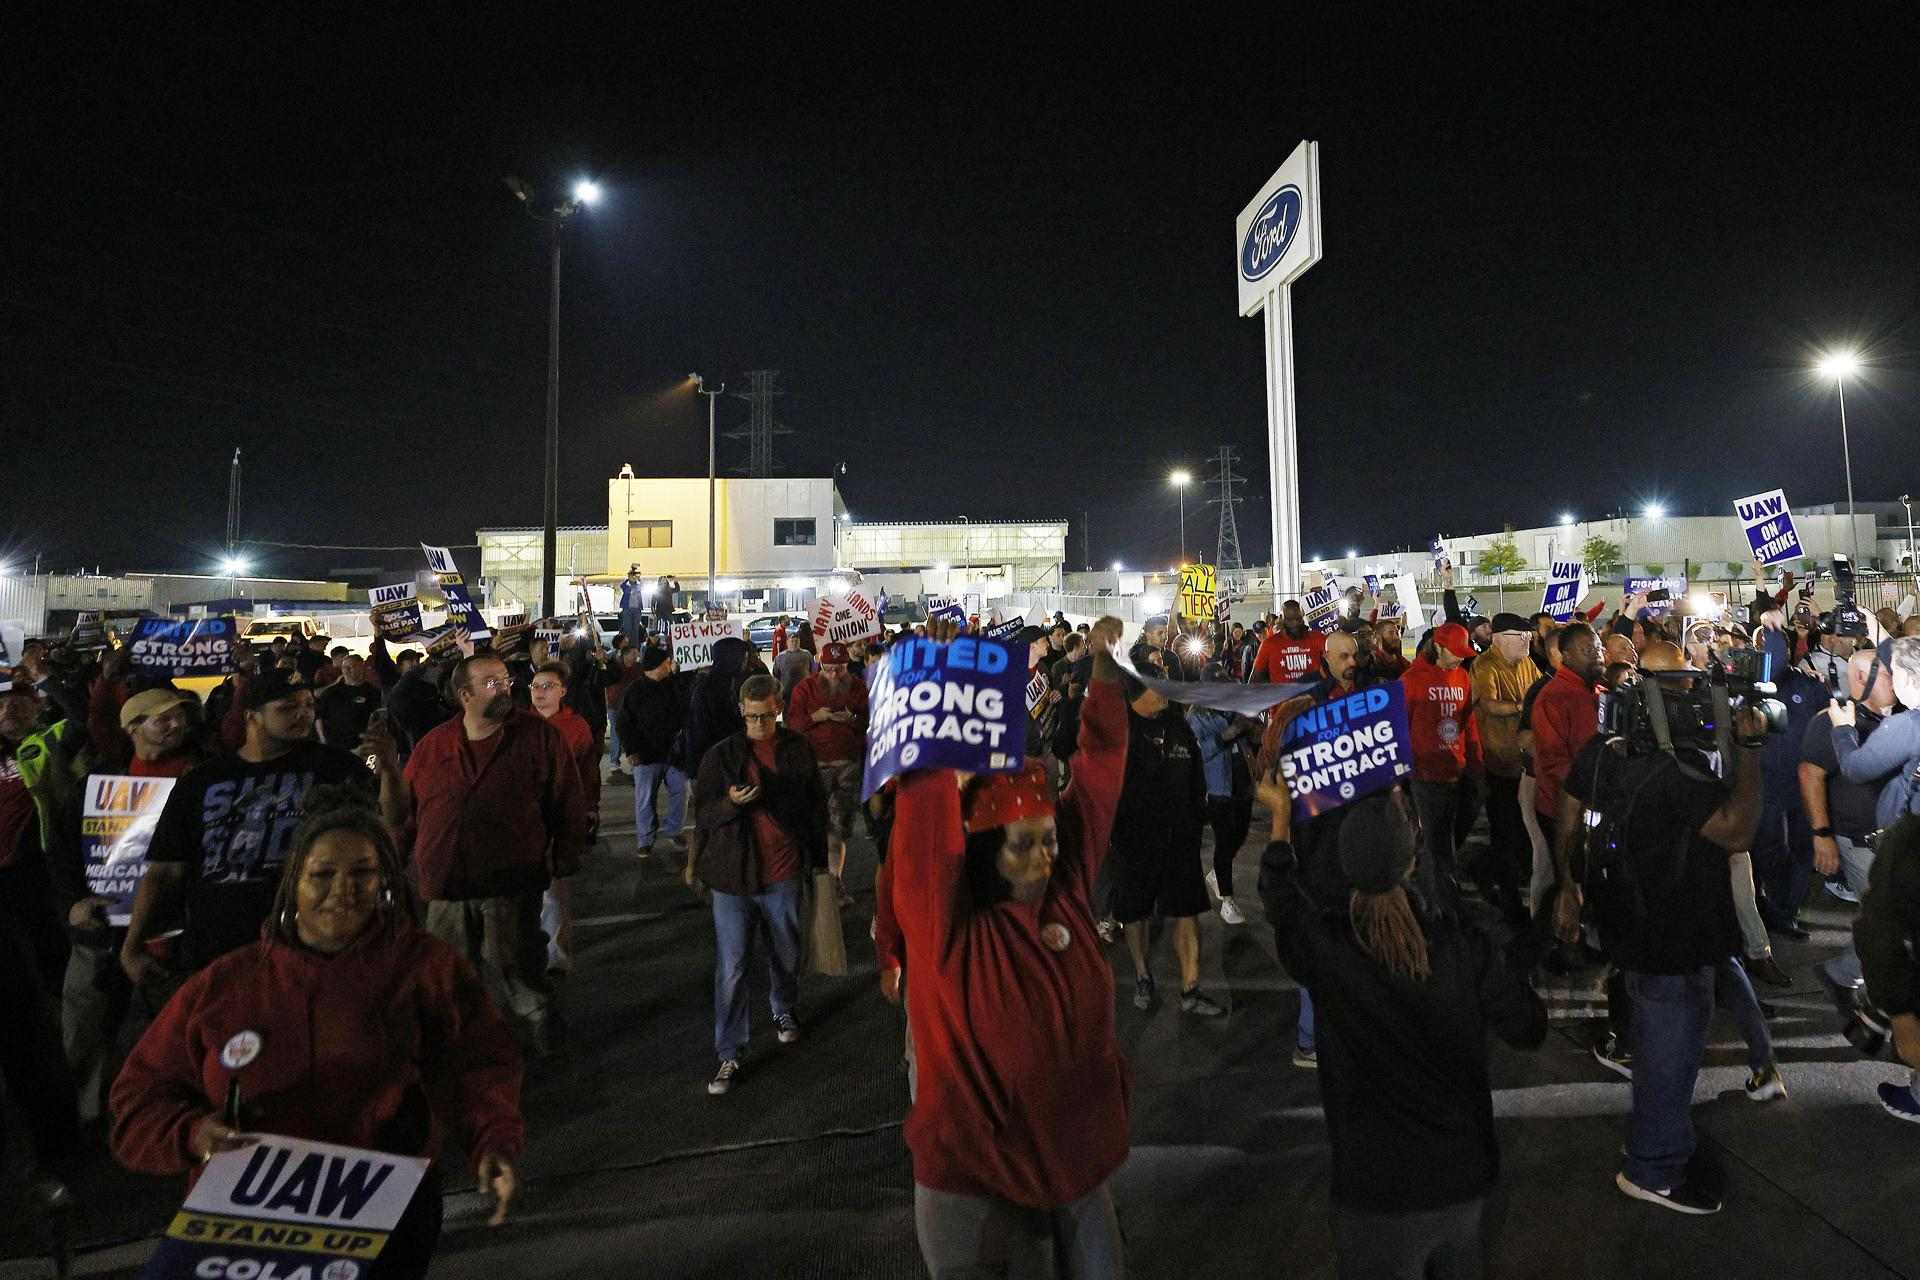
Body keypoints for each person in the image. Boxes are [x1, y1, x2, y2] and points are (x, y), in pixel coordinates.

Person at [110, 788, 524, 1274]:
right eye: (322, 874)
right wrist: (192, 1134)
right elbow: (138, 1098)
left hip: (381, 1213)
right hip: (244, 1221)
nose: (343, 890)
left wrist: (493, 1142)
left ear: (385, 881)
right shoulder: (225, 984)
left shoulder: (425, 968)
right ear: (292, 883)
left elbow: (480, 1065)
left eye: (363, 873)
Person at [888, 616, 1131, 1277]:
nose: (1046, 857)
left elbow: (1101, 770)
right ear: (986, 852)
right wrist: (938, 706)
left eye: (1050, 837)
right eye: (1024, 844)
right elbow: (922, 831)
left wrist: (1105, 676)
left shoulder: (1069, 897)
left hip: (1075, 1165)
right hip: (978, 1185)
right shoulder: (946, 934)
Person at [1258, 785, 1546, 1278]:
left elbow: (1281, 901)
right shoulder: (1461, 948)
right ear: (1412, 859)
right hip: (1460, 1177)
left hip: (1375, 1191)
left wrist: (1281, 820)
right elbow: (1528, 1028)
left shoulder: (1325, 951)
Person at [1552, 642, 1774, 1215]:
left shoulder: (1609, 751)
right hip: (1673, 934)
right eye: (1677, 685)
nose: (1691, 694)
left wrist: (1568, 886)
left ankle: (1658, 1141)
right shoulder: (1672, 770)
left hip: (1636, 924)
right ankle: (1654, 1167)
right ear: (1647, 690)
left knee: (1657, 1046)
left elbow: (1569, 809)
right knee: (1670, 1052)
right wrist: (1750, 751)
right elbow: (1736, 830)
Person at [369, 654, 591, 1055]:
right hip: (445, 886)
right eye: (491, 683)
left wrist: (565, 853)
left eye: (505, 680)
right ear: (464, 695)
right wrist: (393, 859)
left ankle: (544, 1041)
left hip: (510, 883)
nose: (504, 688)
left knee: (518, 969)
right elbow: (404, 815)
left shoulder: (540, 738)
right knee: (448, 976)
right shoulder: (433, 746)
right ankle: (462, 1050)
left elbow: (567, 801)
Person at [122, 671, 378, 984]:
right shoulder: (202, 781)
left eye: (309, 705)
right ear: (252, 717)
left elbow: (383, 834)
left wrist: (389, 772)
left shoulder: (336, 768)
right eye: (287, 708)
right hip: (218, 951)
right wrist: (133, 946)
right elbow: (165, 870)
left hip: (313, 948)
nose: (303, 715)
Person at [58, 688, 207, 1124]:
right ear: (132, 728)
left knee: (184, 1031)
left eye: (181, 717)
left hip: (174, 932)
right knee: (87, 1028)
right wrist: (72, 904)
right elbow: (64, 851)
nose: (176, 725)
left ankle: (184, 1120)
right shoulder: (97, 784)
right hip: (103, 929)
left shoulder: (205, 777)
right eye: (163, 719)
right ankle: (87, 1119)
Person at [692, 673, 828, 1094]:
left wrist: (820, 864)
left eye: (766, 717)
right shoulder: (721, 756)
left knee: (786, 952)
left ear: (779, 708)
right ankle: (729, 1050)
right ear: (741, 712)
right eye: (752, 717)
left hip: (783, 872)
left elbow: (814, 808)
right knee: (731, 967)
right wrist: (731, 804)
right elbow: (704, 816)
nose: (759, 725)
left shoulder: (797, 749)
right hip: (733, 876)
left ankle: (783, 1007)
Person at [1108, 668, 1224, 1016]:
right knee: (1136, 912)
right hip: (1135, 841)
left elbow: (1195, 776)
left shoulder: (1178, 726)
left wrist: (1197, 815)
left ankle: (1192, 989)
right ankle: (1143, 976)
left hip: (1180, 840)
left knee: (1187, 912)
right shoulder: (1118, 732)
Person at [1401, 621, 1479, 910]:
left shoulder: (1462, 677)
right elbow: (1400, 727)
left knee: (1446, 839)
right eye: (1455, 651)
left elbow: (1468, 723)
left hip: (1456, 771)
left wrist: (1475, 763)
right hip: (1424, 774)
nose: (1460, 657)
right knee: (1436, 842)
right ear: (1438, 646)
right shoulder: (1411, 680)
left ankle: (1437, 892)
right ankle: (1440, 905)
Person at [1470, 615, 1541, 925]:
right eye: (1519, 635)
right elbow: (1488, 705)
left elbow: (1538, 690)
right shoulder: (1486, 666)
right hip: (1499, 763)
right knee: (1505, 829)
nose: (1527, 640)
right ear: (1498, 638)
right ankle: (1505, 891)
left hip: (1525, 761)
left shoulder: (1528, 664)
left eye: (1528, 634)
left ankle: (1515, 879)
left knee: (1524, 828)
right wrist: (1521, 707)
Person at [786, 640, 868, 905]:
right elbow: (792, 724)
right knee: (812, 827)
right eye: (830, 668)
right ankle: (813, 880)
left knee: (837, 829)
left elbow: (869, 720)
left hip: (847, 767)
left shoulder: (857, 687)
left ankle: (834, 882)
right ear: (820, 665)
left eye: (840, 669)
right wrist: (815, 718)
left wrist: (853, 720)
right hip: (815, 767)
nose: (834, 674)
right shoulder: (805, 688)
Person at [1189, 663, 1256, 926]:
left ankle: (1218, 873)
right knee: (1225, 841)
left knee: (1239, 836)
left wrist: (1252, 727)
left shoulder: (1236, 707)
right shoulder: (1197, 715)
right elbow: (1200, 752)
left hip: (1243, 783)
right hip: (1218, 788)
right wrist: (1230, 733)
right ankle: (1227, 899)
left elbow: (1254, 736)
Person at [618, 644, 689, 859]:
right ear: (658, 666)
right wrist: (631, 750)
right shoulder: (634, 690)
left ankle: (674, 830)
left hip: (674, 754)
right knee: (645, 798)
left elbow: (686, 707)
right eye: (666, 662)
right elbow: (624, 723)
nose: (670, 665)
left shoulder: (673, 685)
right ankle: (645, 840)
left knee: (681, 791)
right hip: (646, 755)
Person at [314, 652, 382, 748]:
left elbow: (378, 718)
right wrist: (323, 739)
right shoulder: (331, 692)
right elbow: (319, 717)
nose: (346, 670)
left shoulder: (372, 692)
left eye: (351, 666)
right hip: (335, 745)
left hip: (362, 745)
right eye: (344, 667)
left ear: (361, 667)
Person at [1248, 600, 1325, 684]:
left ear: (1302, 617)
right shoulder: (1269, 644)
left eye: (1298, 619)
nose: (1294, 623)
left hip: (1313, 695)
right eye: (1289, 620)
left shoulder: (1317, 638)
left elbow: (1336, 663)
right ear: (1281, 619)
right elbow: (1254, 680)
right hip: (1282, 696)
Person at [619, 565, 648, 648]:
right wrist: (629, 577)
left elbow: (643, 586)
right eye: (632, 576)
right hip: (627, 609)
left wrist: (639, 579)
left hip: (637, 610)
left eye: (634, 576)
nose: (633, 577)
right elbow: (622, 586)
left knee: (635, 630)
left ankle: (635, 648)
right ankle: (627, 647)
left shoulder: (638, 585)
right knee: (627, 629)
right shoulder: (627, 585)